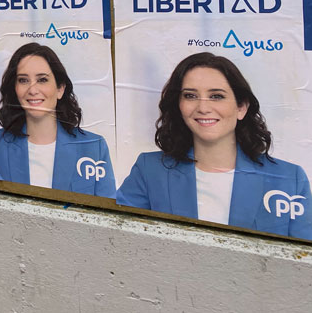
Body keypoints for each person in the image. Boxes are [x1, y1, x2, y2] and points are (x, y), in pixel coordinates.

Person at [117, 52, 312, 239]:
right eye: (190, 96)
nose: (203, 108)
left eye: (216, 96)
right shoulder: (149, 171)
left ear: (241, 107)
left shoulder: (289, 180)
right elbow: (118, 244)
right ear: (179, 105)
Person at [0, 43, 115, 196]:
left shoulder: (94, 148)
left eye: (42, 80)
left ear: (60, 89)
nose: (33, 90)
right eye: (23, 80)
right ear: (15, 89)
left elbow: (108, 212)